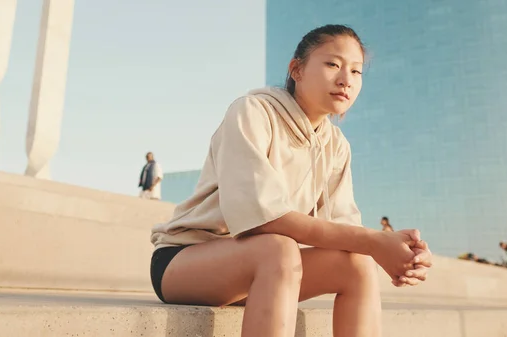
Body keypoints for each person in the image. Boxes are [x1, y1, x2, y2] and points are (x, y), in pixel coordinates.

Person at [150, 24, 432, 337]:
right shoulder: (252, 111)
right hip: (185, 262)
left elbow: (345, 232)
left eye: (356, 71)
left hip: (268, 272)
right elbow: (262, 220)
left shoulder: (336, 145)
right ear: (296, 70)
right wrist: (374, 241)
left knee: (358, 265)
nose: (345, 80)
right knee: (278, 247)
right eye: (332, 64)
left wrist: (403, 252)